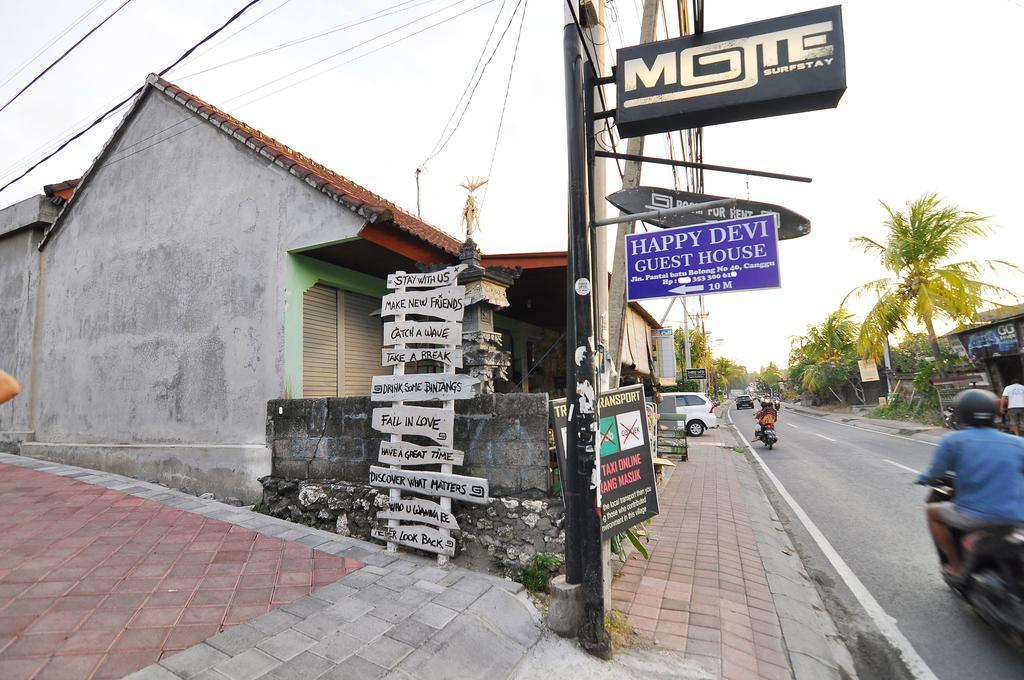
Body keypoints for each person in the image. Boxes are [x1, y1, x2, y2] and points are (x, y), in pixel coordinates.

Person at [917, 389, 1024, 578]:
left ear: (962, 414)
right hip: (1017, 517)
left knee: (932, 512)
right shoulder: (1017, 442)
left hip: (975, 515)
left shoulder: (953, 441)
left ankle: (956, 567)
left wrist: (922, 479)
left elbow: (934, 472)